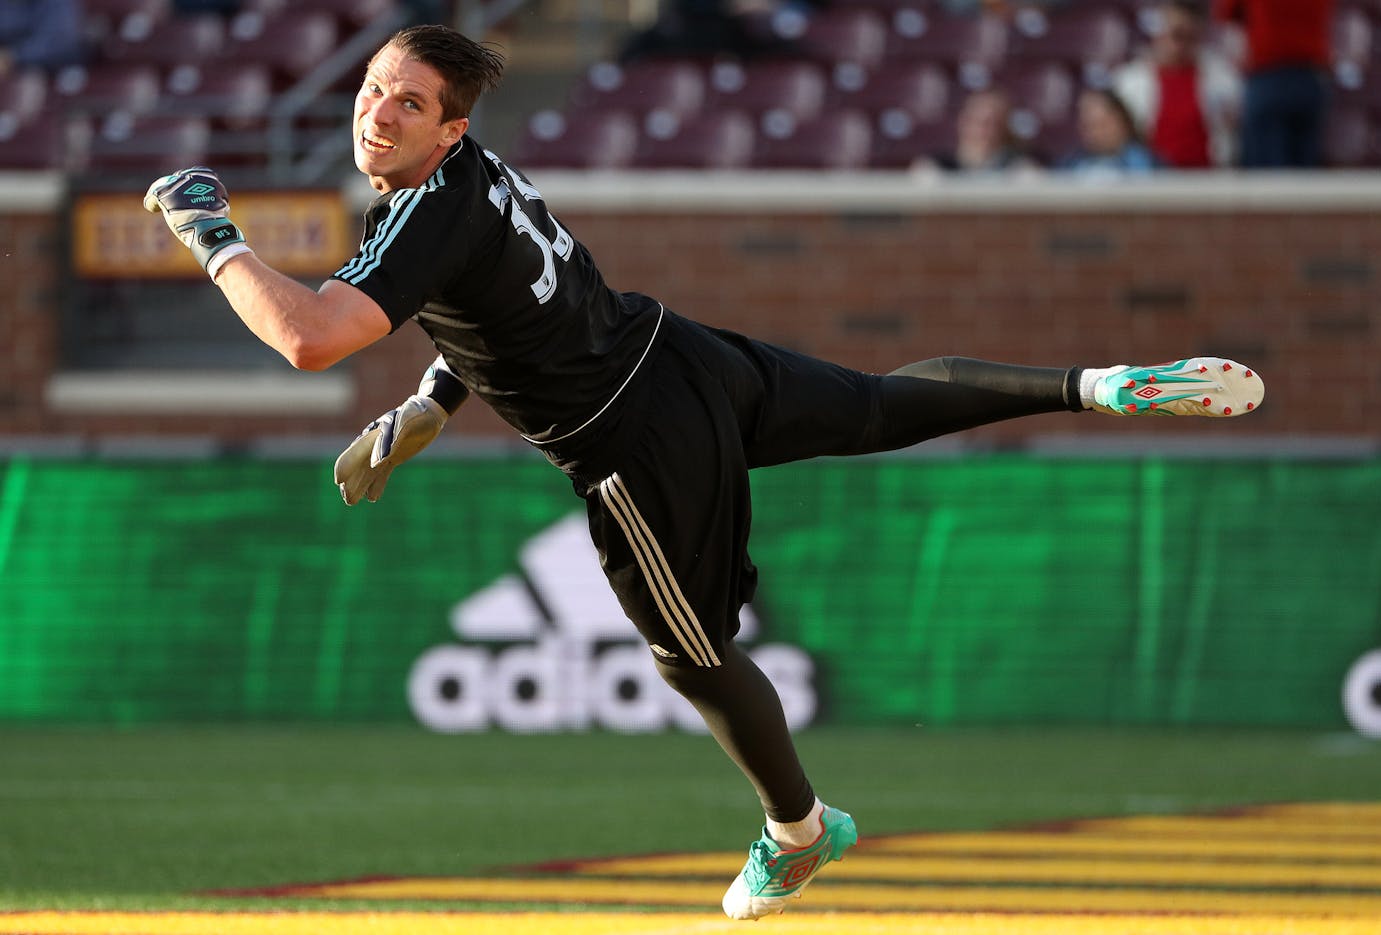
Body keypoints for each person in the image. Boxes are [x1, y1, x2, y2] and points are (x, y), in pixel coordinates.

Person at [143, 24, 1265, 920]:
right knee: (875, 403)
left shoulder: (422, 207)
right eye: (375, 87)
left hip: (631, 440)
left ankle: (796, 828)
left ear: (451, 130)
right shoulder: (470, 176)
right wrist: (429, 403)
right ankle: (1093, 383)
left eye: (406, 101)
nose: (376, 109)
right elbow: (501, 309)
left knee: (690, 657)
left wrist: (210, 236)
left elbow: (309, 338)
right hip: (677, 351)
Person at [1112, 0, 1242, 169]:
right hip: (1152, 182)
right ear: (1159, 33)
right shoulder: (1128, 82)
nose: (1181, 45)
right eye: (1177, 35)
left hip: (1208, 180)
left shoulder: (1223, 79)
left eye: (1191, 37)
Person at [1213, 0, 1334, 168]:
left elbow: (1227, 16)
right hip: (1308, 80)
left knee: (1267, 181)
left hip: (1268, 79)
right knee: (1304, 180)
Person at [915, 87, 1039, 173]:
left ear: (1003, 127)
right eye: (976, 120)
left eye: (992, 123)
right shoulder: (937, 166)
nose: (981, 129)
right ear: (962, 121)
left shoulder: (1016, 165)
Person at [1057, 86, 1162, 175]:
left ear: (1122, 123)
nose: (1094, 134)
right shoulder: (1068, 166)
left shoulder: (1151, 166)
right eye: (1087, 126)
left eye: (1101, 125)